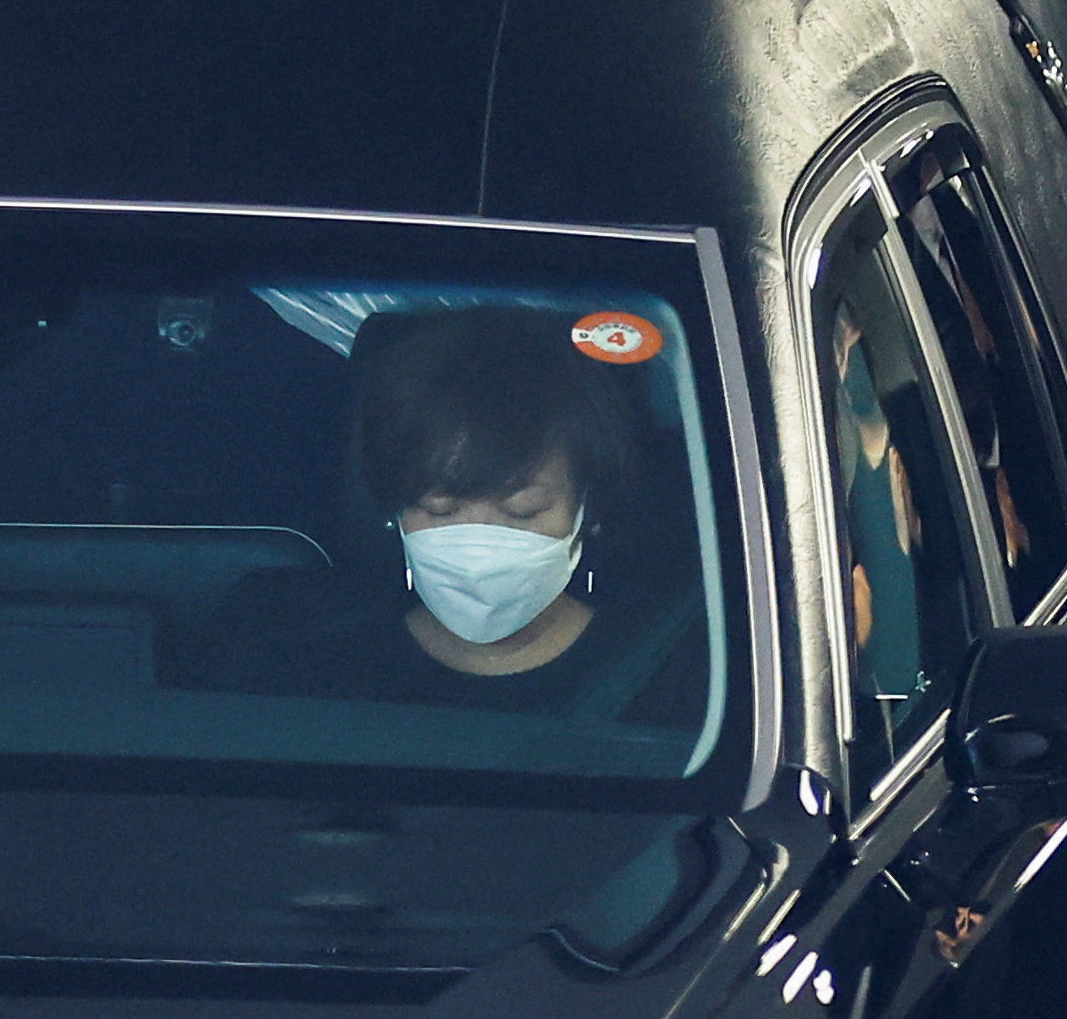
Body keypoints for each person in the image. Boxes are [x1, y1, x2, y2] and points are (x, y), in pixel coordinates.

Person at [200, 306, 697, 720]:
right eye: (440, 509)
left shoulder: (677, 678)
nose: (478, 543)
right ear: (393, 506)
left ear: (588, 507)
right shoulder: (297, 659)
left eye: (521, 512)